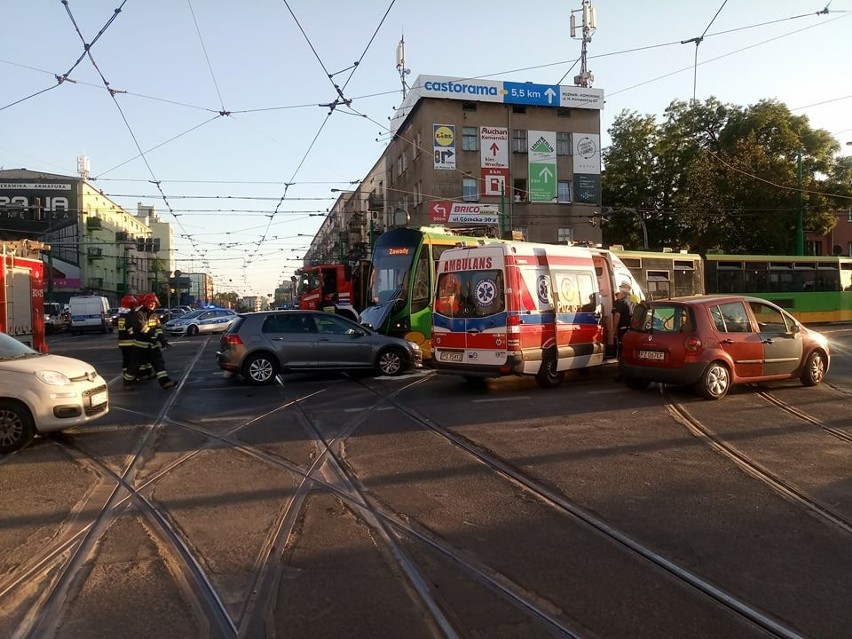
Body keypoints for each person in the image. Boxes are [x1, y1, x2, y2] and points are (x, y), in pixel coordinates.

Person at [123, 293, 175, 390]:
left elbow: (158, 329)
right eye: (151, 303)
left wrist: (162, 340)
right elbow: (141, 327)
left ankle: (165, 382)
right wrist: (152, 334)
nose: (153, 305)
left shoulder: (154, 315)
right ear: (145, 303)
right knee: (134, 365)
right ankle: (127, 382)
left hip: (153, 345)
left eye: (154, 303)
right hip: (140, 346)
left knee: (159, 364)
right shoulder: (139, 314)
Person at [610, 282, 635, 358]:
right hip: (631, 328)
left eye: (617, 294)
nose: (616, 296)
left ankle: (622, 361)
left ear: (623, 294)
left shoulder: (618, 303)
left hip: (622, 328)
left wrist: (613, 329)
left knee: (621, 345)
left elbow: (617, 315)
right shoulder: (632, 301)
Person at [116, 295, 137, 376]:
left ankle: (126, 374)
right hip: (129, 342)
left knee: (126, 360)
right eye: (133, 306)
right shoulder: (128, 316)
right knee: (130, 360)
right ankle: (129, 377)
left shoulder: (122, 316)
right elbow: (129, 328)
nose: (134, 308)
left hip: (123, 342)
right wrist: (136, 335)